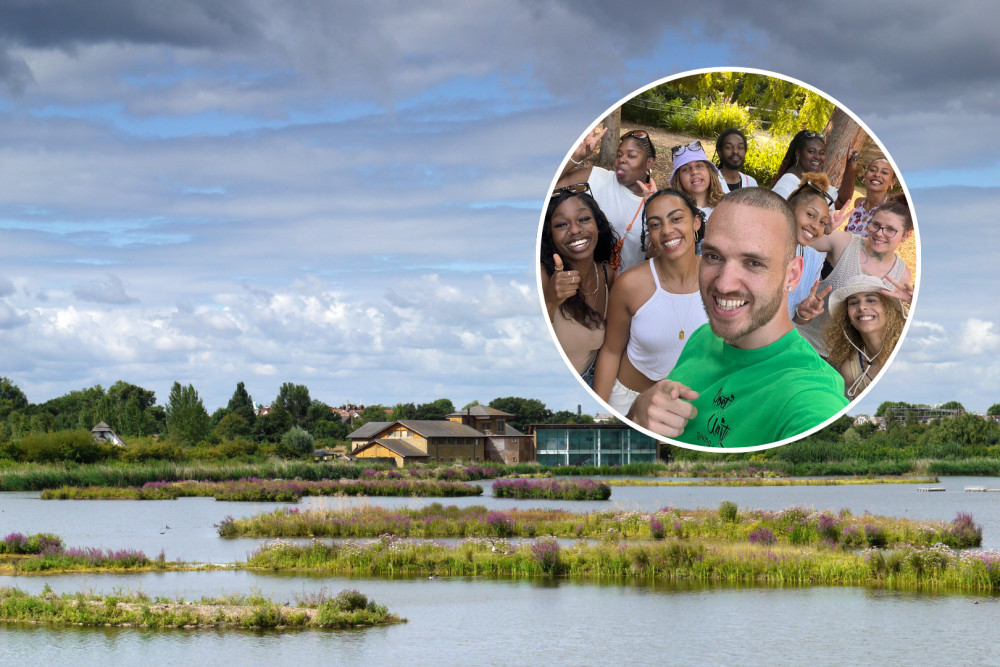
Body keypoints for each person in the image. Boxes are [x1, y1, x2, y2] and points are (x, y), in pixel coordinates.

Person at [627, 187, 849, 447]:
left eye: (753, 262)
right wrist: (638, 414)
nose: (723, 284)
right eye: (713, 256)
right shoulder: (705, 335)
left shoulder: (808, 395)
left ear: (792, 275)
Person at [592, 189, 708, 416]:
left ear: (695, 222)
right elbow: (611, 350)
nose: (666, 230)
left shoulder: (719, 279)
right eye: (655, 224)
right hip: (629, 401)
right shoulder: (630, 284)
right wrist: (601, 412)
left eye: (676, 219)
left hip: (694, 404)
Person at [794, 198, 913, 358]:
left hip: (844, 360)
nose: (879, 233)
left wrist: (912, 306)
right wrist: (823, 230)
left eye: (890, 229)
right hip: (801, 342)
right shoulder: (842, 242)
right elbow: (791, 238)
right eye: (875, 225)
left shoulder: (902, 275)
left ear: (905, 235)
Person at [557, 128, 657, 273]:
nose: (622, 159)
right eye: (619, 155)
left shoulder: (655, 201)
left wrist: (654, 212)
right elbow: (552, 184)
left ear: (649, 163)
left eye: (631, 156)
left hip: (626, 289)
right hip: (589, 283)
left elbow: (656, 254)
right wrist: (577, 156)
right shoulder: (598, 177)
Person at [824, 276, 907, 398]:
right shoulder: (851, 368)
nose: (861, 307)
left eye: (871, 300)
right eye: (853, 303)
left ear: (889, 308)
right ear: (846, 315)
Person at [785, 172, 834, 320]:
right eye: (810, 215)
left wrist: (803, 314)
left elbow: (796, 318)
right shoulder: (760, 246)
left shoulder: (814, 261)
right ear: (788, 209)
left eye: (822, 222)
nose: (815, 226)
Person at [771, 129, 855, 209]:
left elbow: (841, 201)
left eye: (821, 153)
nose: (817, 157)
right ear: (798, 152)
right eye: (811, 151)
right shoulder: (786, 184)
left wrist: (850, 168)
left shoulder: (812, 180)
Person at [669, 140, 726, 227]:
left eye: (699, 166)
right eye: (686, 169)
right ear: (678, 179)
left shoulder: (726, 205)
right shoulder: (672, 212)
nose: (694, 172)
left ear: (709, 171)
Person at [843, 157, 896, 236]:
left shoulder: (891, 210)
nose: (877, 174)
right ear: (865, 175)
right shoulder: (858, 202)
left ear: (892, 181)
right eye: (872, 170)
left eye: (884, 172)